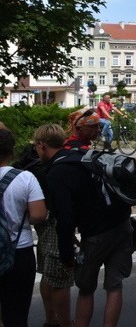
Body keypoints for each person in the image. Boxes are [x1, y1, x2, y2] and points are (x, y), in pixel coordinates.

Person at [40, 109, 133, 327]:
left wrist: (66, 254)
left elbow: (65, 217)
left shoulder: (61, 167)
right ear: (78, 127)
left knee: (86, 288)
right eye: (93, 126)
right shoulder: (95, 156)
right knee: (115, 286)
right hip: (121, 224)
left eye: (97, 126)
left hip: (96, 232)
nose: (97, 130)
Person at [24, 124, 75, 327]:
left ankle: (51, 319)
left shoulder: (43, 167)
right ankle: (63, 323)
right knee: (60, 279)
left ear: (42, 145)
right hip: (56, 225)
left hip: (45, 225)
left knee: (48, 274)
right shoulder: (63, 165)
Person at [0, 125, 48, 327]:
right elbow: (39, 215)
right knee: (17, 313)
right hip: (19, 251)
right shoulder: (25, 178)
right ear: (12, 151)